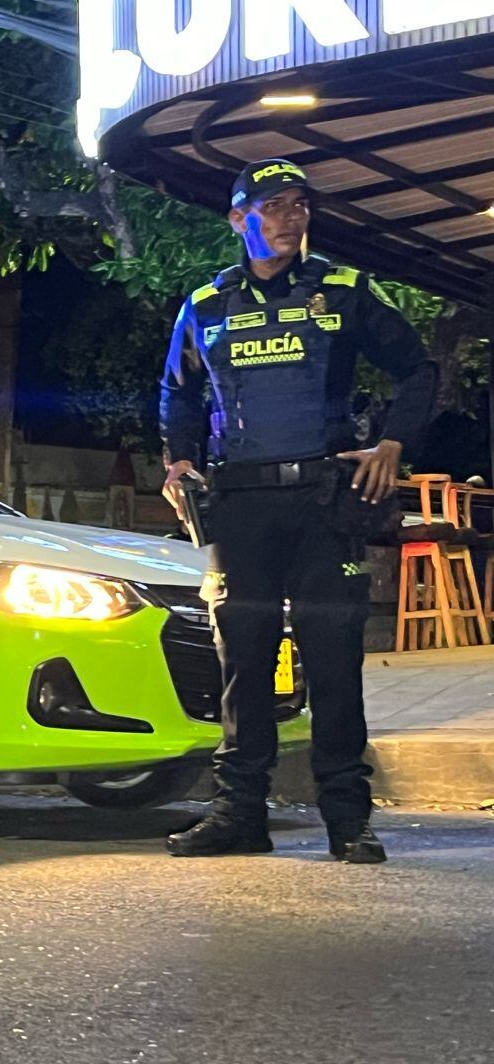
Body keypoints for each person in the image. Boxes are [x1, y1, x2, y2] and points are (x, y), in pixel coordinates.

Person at [159, 158, 437, 864]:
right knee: (244, 663)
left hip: (324, 502)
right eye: (272, 206)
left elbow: (417, 368)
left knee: (334, 659)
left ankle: (348, 819)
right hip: (240, 504)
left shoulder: (342, 291)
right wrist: (177, 461)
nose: (289, 218)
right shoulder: (206, 304)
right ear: (237, 219)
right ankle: (238, 816)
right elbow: (178, 393)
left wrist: (393, 443)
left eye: (299, 205)